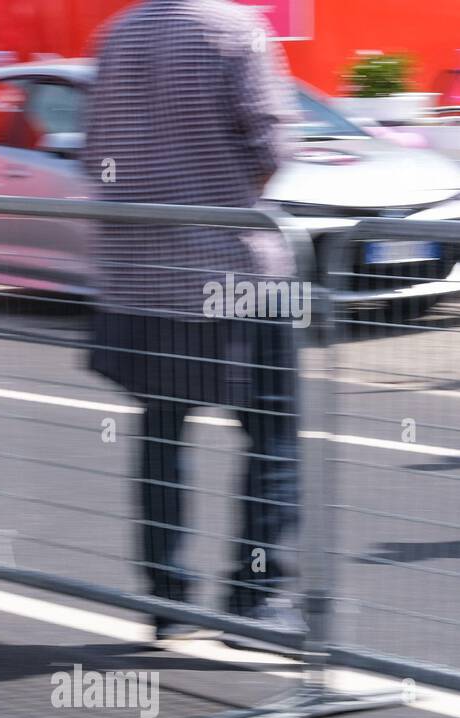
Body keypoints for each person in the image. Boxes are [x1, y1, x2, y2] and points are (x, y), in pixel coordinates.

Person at [82, 0, 301, 637]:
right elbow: (273, 144)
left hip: (141, 280)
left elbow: (95, 157)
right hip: (234, 275)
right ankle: (255, 596)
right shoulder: (236, 31)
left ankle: (167, 599)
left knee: (161, 438)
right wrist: (223, 199)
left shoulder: (115, 36)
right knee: (273, 437)